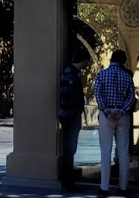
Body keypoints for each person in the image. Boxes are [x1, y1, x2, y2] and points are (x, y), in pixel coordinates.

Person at [92, 50, 136, 197]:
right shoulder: (127, 76)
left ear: (111, 59)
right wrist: (121, 111)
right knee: (123, 152)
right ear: (123, 61)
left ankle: (104, 187)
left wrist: (107, 111)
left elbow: (98, 94)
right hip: (122, 115)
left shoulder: (101, 75)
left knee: (105, 151)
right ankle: (123, 186)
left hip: (107, 115)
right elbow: (131, 97)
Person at [58, 47, 92, 191]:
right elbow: (67, 96)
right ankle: (68, 182)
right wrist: (75, 112)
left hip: (69, 116)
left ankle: (68, 181)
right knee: (69, 149)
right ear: (82, 60)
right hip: (70, 117)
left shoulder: (71, 73)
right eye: (86, 62)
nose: (87, 65)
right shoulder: (71, 75)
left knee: (70, 149)